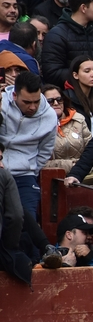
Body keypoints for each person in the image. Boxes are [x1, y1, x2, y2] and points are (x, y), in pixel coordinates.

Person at [0, 71, 56, 220]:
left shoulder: (49, 116)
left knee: (26, 218)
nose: (32, 107)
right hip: (1, 169)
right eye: (27, 102)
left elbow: (45, 150)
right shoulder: (2, 104)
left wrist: (31, 168)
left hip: (25, 174)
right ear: (14, 96)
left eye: (36, 101)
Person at [40, 0, 93, 89]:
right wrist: (87, 72)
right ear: (83, 8)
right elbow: (52, 74)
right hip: (70, 98)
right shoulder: (57, 35)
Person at [43, 84, 93, 172]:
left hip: (83, 175)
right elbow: (39, 163)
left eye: (59, 99)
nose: (56, 103)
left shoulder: (78, 119)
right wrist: (71, 165)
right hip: (52, 178)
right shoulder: (36, 126)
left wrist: (82, 167)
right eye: (50, 101)